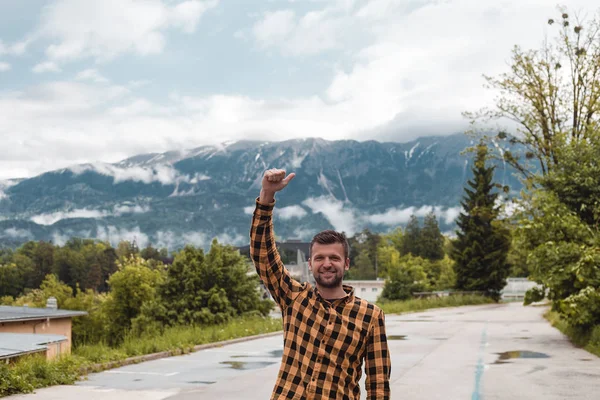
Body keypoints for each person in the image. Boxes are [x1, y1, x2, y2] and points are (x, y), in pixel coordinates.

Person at [250, 168, 391, 400]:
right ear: (310, 264)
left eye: (334, 258)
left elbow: (378, 385)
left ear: (346, 264)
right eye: (320, 258)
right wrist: (266, 196)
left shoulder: (371, 316)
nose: (327, 264)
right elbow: (262, 254)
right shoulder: (293, 298)